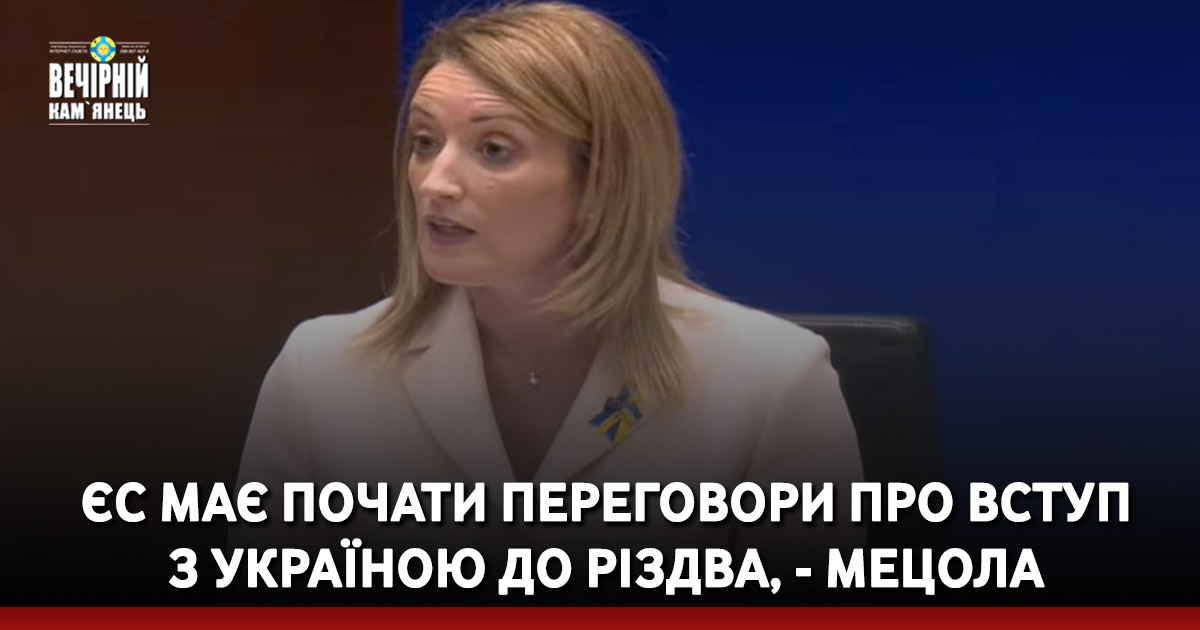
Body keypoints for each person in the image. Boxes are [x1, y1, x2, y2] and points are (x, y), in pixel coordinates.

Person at [234, 1, 864, 590]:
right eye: (425, 142)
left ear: (602, 180)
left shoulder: (771, 383)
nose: (435, 183)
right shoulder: (321, 374)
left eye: (493, 149)